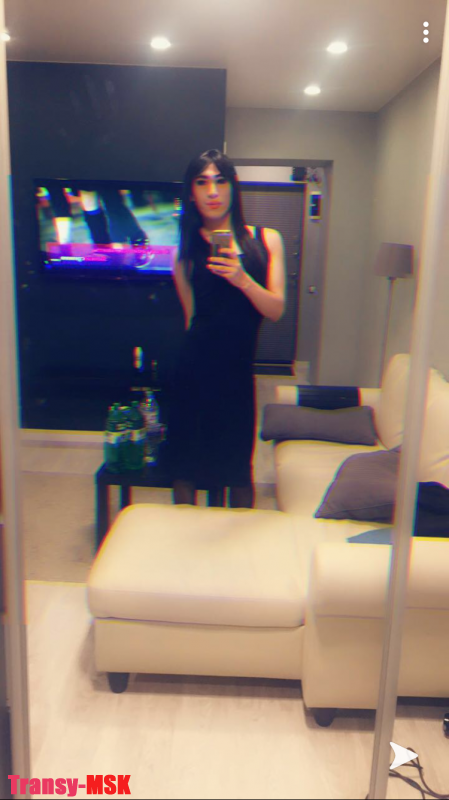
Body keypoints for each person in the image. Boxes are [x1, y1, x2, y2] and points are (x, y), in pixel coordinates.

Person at [167, 149, 286, 508]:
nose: (212, 192)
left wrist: (241, 278)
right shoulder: (184, 255)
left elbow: (276, 310)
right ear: (191, 193)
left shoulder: (266, 240)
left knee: (237, 471)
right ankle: (183, 533)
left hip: (237, 377)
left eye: (220, 181)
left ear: (233, 186)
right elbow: (192, 321)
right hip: (192, 374)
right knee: (187, 468)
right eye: (202, 182)